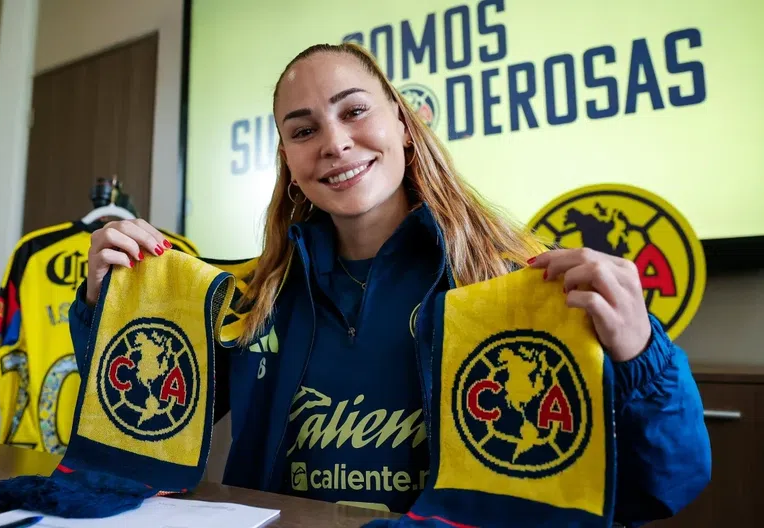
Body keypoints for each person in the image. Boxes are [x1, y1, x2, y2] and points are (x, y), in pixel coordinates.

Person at [69, 42, 710, 526]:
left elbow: (665, 486)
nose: (335, 143)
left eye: (354, 111)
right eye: (303, 130)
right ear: (288, 160)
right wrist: (112, 309)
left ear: (403, 125)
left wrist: (638, 352)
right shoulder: (253, 298)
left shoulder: (522, 283)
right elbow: (139, 431)